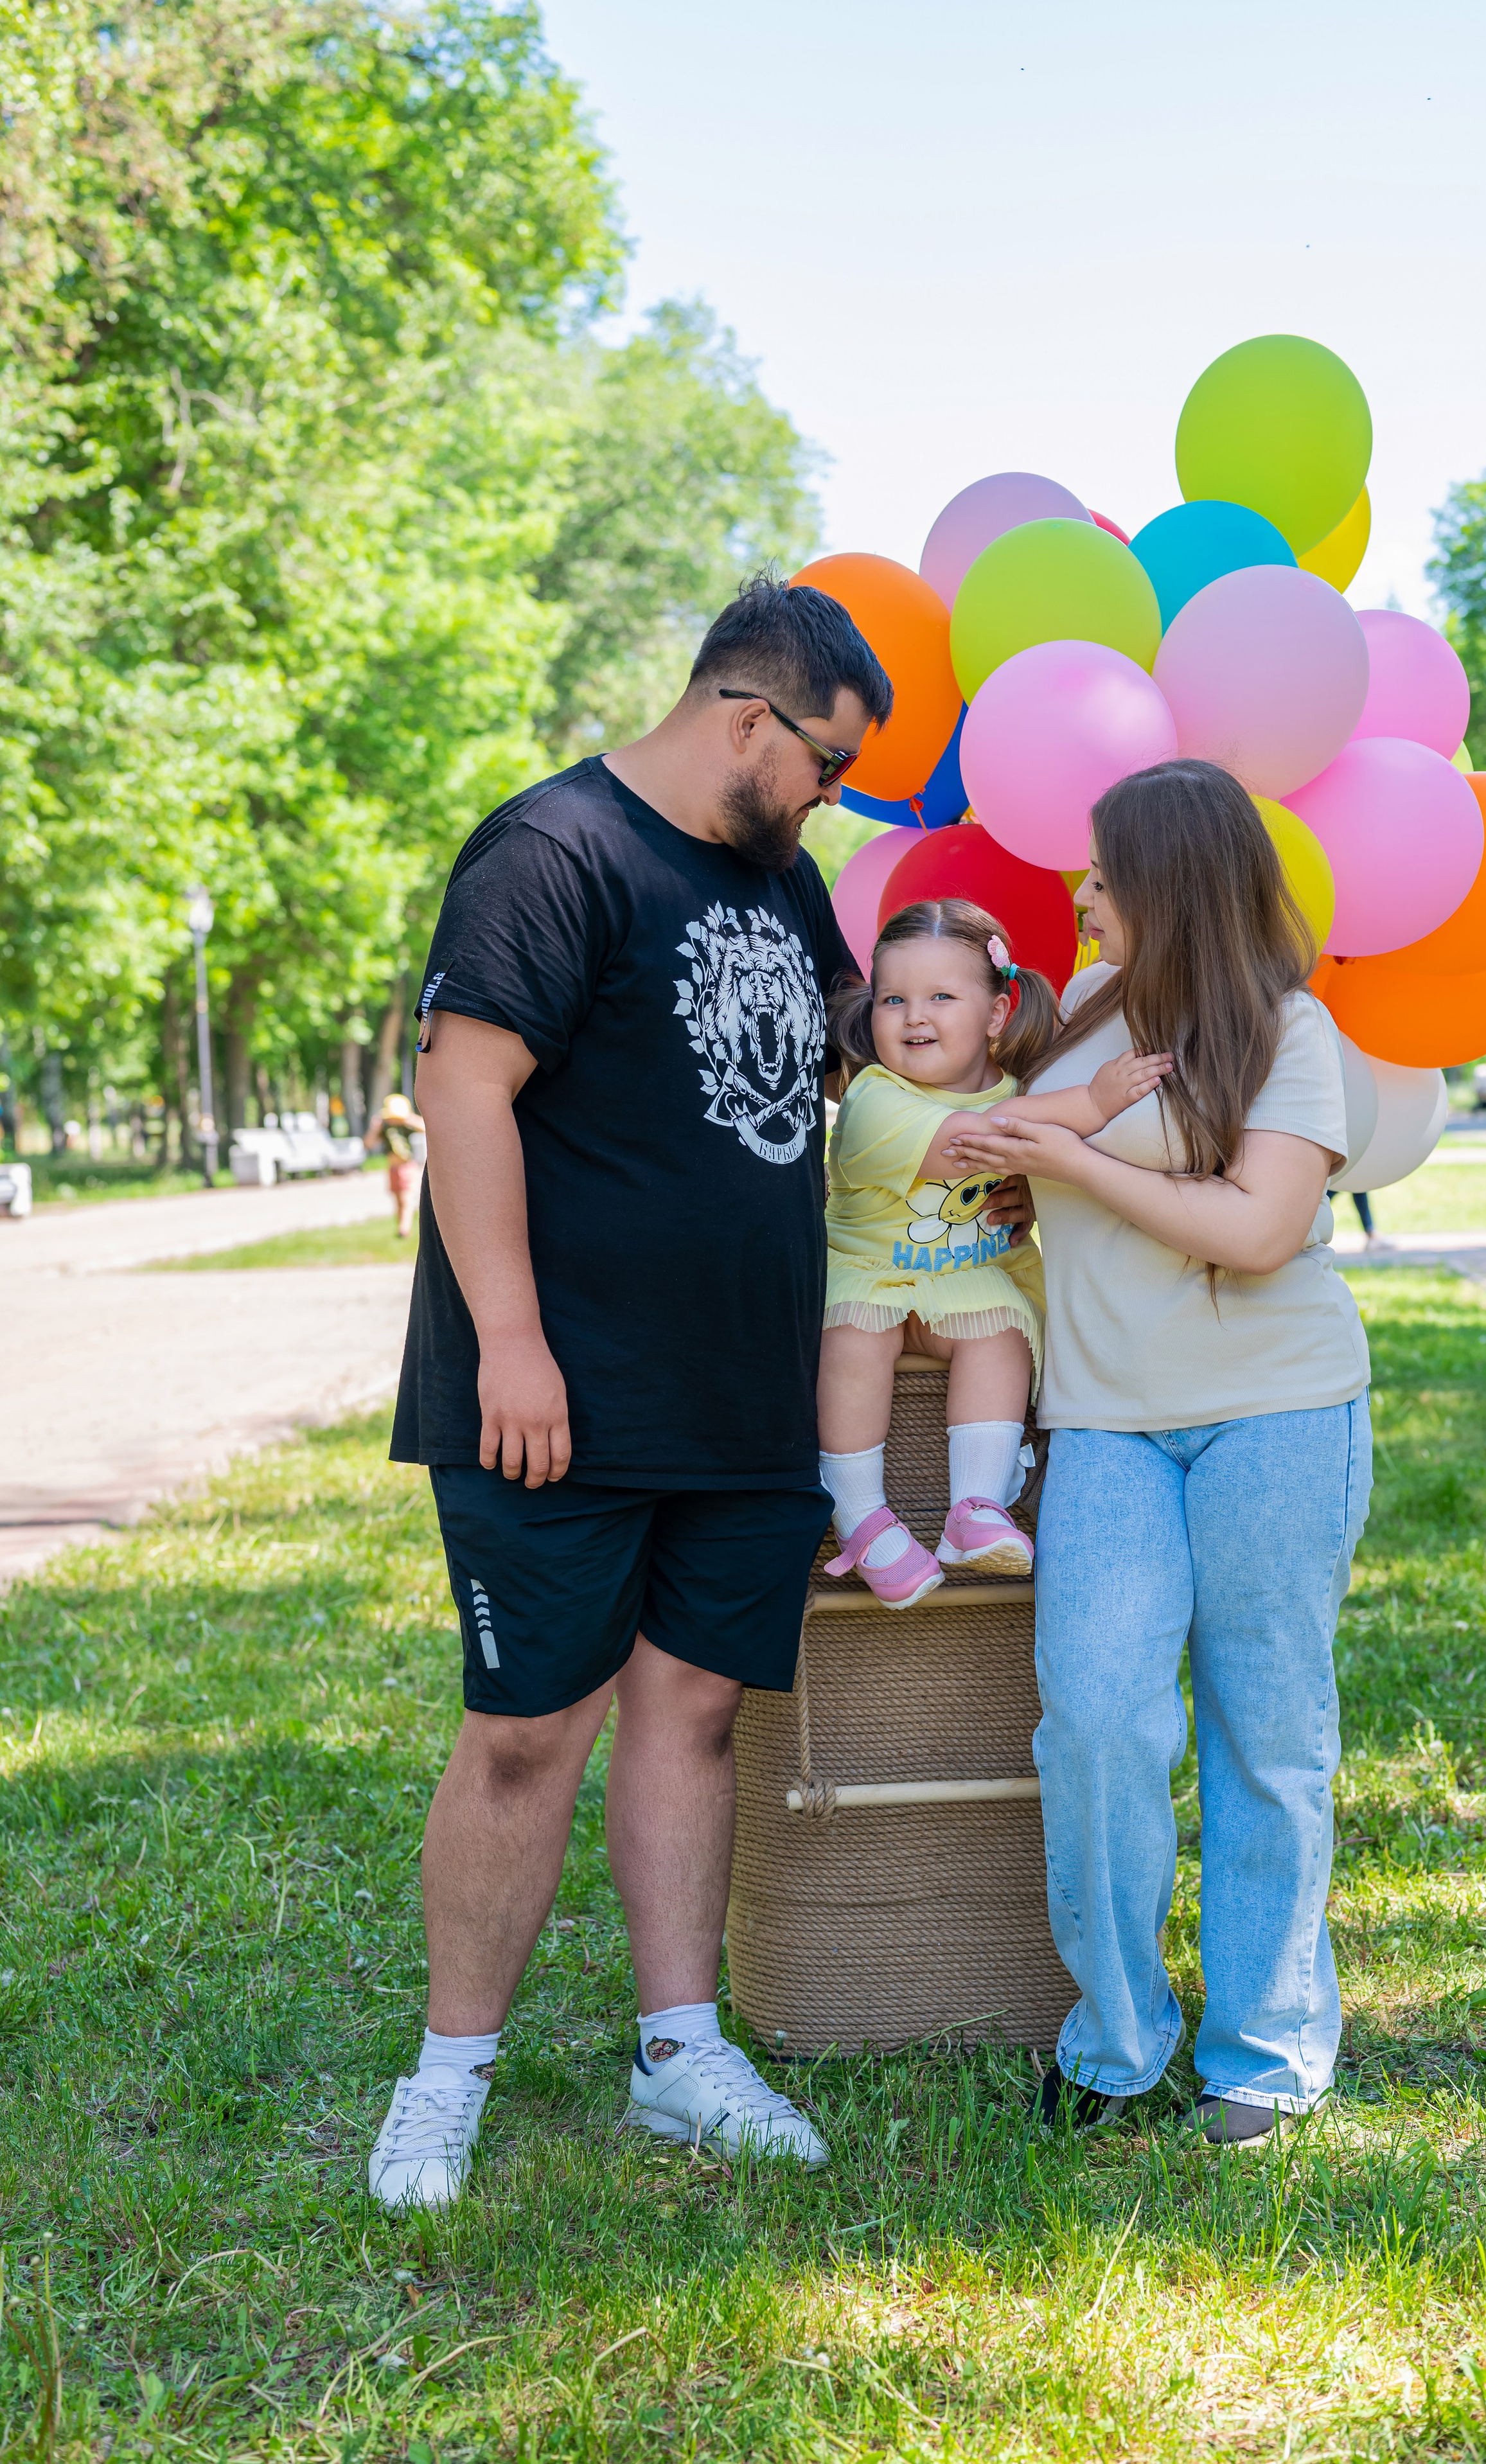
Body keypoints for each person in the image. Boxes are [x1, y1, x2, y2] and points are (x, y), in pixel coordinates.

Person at [371, 576, 900, 2208]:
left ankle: (679, 2052)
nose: (831, 797)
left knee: (692, 1711)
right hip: (559, 1390)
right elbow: (462, 1091)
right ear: (749, 718)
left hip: (741, 1390)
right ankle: (449, 2068)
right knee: (529, 1726)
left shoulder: (781, 877)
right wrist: (512, 1340)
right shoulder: (552, 849)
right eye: (827, 763)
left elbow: (836, 1069)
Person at [950, 758, 1372, 2148]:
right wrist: (1022, 1180)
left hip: (1277, 1411)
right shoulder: (1076, 1020)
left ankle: (1262, 2051)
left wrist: (1076, 1170)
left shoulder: (1288, 1031)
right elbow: (1056, 1168)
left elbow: (1256, 1230)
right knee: (1096, 1720)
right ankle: (1117, 2043)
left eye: (1103, 870)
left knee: (1264, 1729)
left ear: (1172, 885)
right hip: (1106, 1424)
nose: (1078, 889)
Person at [818, 898, 1169, 1606]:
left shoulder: (1017, 1093)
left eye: (941, 997)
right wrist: (1091, 1104)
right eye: (894, 999)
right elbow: (974, 1140)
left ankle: (974, 1509)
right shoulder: (874, 1100)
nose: (915, 1016)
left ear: (997, 1014)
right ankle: (857, 1513)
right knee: (853, 1334)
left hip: (965, 1284)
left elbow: (1018, 1133)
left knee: (1001, 1333)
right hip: (869, 1277)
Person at [368, 1090, 425, 1237]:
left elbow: (424, 1128)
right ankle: (400, 1225)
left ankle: (404, 1229)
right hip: (392, 1167)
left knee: (406, 1198)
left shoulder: (406, 1126)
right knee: (398, 1199)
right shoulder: (386, 1128)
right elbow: (368, 1143)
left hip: (407, 1166)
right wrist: (375, 1128)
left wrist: (408, 1118)